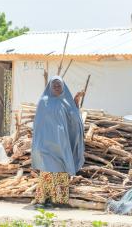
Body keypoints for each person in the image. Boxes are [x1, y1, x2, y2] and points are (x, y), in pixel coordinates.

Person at [31, 76, 85, 207]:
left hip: (62, 144)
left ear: (63, 87)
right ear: (50, 86)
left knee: (61, 171)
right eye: (54, 85)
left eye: (59, 85)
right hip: (46, 144)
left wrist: (76, 103)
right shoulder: (44, 102)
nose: (56, 87)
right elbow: (38, 124)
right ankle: (43, 200)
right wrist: (37, 144)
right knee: (46, 171)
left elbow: (74, 121)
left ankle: (59, 201)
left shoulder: (66, 103)